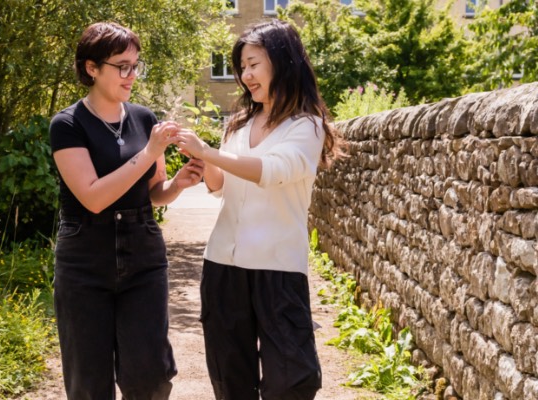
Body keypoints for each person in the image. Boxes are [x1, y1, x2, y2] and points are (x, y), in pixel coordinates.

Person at [174, 19, 345, 400]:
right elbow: (219, 186)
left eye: (253, 64)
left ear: (282, 62)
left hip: (277, 267)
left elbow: (273, 172)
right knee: (229, 376)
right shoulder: (238, 123)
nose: (245, 75)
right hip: (222, 263)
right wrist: (203, 161)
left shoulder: (307, 125)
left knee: (291, 378)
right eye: (242, 67)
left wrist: (210, 152)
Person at [49, 21, 205, 400]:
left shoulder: (144, 118)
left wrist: (178, 185)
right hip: (84, 257)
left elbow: (153, 191)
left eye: (136, 65)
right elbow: (93, 197)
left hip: (143, 254)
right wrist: (150, 152)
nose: (131, 75)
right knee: (89, 382)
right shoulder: (68, 124)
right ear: (91, 68)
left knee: (150, 376)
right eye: (122, 66)